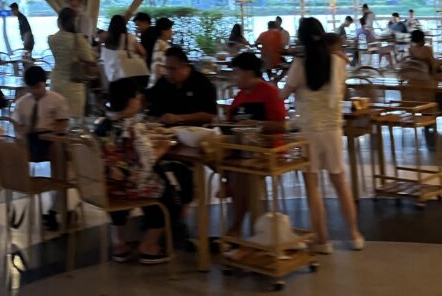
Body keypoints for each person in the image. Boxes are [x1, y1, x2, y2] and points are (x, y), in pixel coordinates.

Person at [280, 18, 364, 253]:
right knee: (340, 182)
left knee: (312, 186)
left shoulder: (300, 63)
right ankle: (355, 235)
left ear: (301, 37)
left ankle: (322, 240)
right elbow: (342, 88)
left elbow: (283, 95)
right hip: (333, 129)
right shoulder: (338, 62)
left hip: (308, 131)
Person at [96, 77, 175, 265]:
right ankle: (149, 245)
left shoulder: (103, 125)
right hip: (129, 187)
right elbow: (147, 162)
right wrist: (163, 147)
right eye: (138, 96)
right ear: (132, 100)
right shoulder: (134, 128)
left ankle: (119, 243)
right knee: (168, 192)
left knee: (133, 183)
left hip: (108, 188)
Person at [223, 52, 287, 237]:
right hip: (242, 148)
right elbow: (230, 123)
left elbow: (282, 125)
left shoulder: (270, 93)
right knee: (223, 162)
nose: (233, 78)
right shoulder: (240, 96)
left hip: (267, 149)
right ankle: (227, 184)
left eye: (236, 73)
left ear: (249, 73)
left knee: (239, 173)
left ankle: (236, 226)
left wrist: (256, 125)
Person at [12, 65, 71, 231]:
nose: (35, 91)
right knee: (12, 149)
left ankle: (56, 203)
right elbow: (17, 125)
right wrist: (22, 133)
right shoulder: (22, 103)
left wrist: (52, 131)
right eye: (31, 88)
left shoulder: (57, 100)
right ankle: (19, 187)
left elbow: (62, 124)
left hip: (50, 138)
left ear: (45, 83)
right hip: (30, 139)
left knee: (58, 151)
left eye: (38, 86)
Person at [146, 46, 217, 126]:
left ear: (185, 67)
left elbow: (210, 115)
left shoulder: (201, 83)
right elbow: (147, 97)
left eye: (172, 69)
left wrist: (178, 118)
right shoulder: (165, 80)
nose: (168, 73)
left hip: (191, 130)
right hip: (160, 129)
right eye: (166, 68)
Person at [48, 5, 97, 117]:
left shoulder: (51, 39)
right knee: (74, 118)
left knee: (57, 117)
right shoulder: (78, 39)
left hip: (56, 82)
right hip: (73, 84)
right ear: (73, 21)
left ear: (59, 21)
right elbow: (89, 58)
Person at [101, 14, 149, 88]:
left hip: (113, 76)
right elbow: (144, 53)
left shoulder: (107, 40)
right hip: (131, 75)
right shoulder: (130, 37)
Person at [148, 18, 174, 84]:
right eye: (170, 29)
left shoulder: (162, 44)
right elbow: (158, 67)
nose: (172, 32)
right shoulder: (161, 45)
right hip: (159, 85)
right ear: (163, 31)